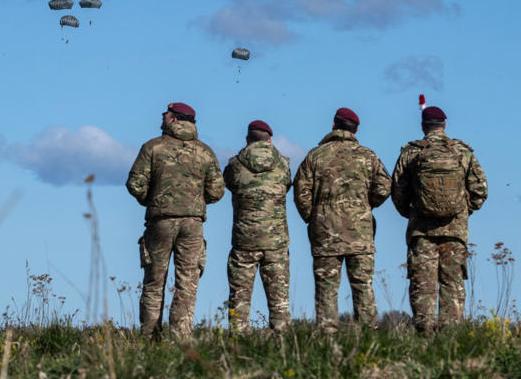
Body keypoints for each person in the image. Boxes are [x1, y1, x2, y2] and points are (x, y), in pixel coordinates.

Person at [126, 102, 225, 339]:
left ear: (174, 119)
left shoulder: (153, 148)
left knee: (153, 282)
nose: (162, 115)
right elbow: (217, 191)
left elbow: (135, 184)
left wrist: (154, 201)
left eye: (166, 113)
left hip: (160, 222)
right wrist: (193, 203)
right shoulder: (205, 152)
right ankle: (181, 339)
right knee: (187, 283)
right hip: (192, 224)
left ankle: (151, 339)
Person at [391, 106, 488, 333]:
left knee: (422, 285)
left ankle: (425, 335)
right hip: (455, 232)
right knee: (452, 284)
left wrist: (415, 213)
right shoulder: (462, 152)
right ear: (444, 125)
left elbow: (397, 192)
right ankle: (450, 336)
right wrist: (461, 212)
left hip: (421, 231)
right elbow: (480, 190)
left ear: (423, 126)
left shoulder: (411, 152)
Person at [294, 108, 391, 332]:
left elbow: (301, 192)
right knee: (362, 286)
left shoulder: (315, 156)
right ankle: (368, 337)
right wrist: (366, 206)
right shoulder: (368, 156)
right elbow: (385, 186)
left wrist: (313, 217)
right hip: (360, 233)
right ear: (356, 129)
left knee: (326, 288)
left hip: (325, 232)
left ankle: (327, 337)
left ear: (333, 125)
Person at [223, 120, 292, 332]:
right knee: (279, 301)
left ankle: (238, 340)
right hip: (276, 241)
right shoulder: (283, 164)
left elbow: (227, 184)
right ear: (269, 140)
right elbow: (287, 185)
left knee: (239, 299)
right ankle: (283, 344)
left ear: (247, 139)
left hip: (244, 240)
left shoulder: (235, 165)